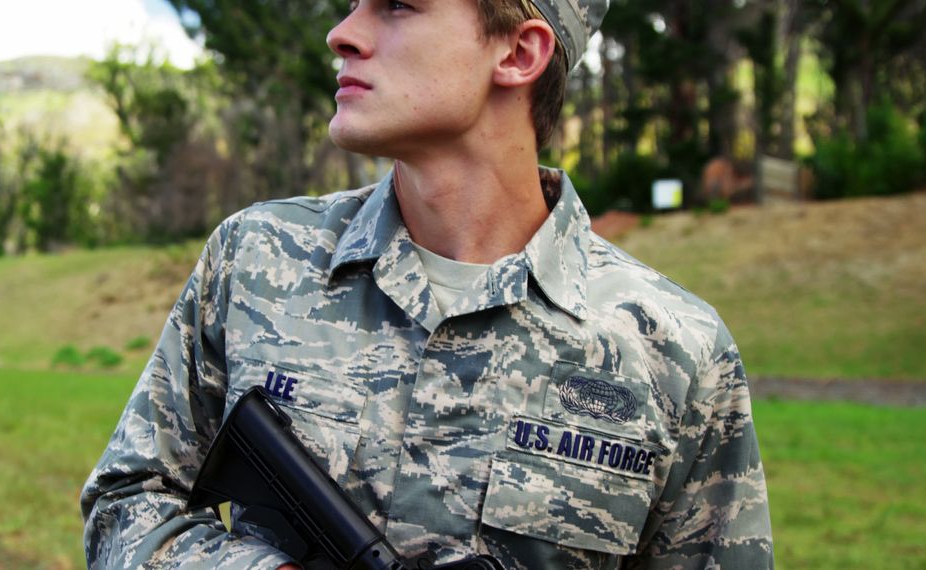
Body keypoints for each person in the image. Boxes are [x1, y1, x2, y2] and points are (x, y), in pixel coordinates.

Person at [80, 0, 774, 568]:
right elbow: (126, 502)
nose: (343, 33)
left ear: (518, 54)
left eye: (396, 6)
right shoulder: (257, 259)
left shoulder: (676, 351)